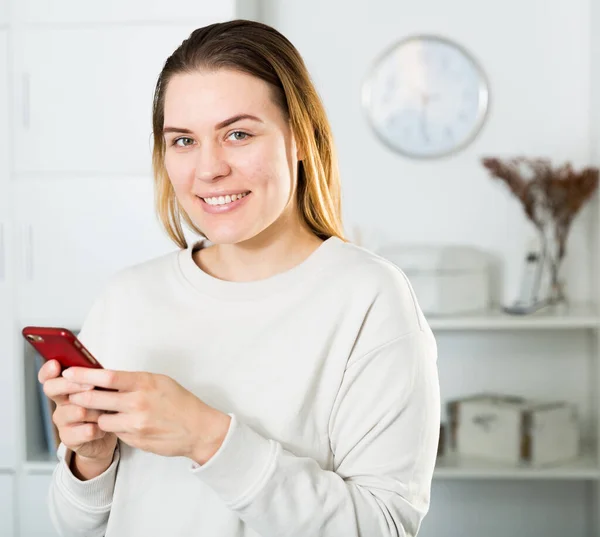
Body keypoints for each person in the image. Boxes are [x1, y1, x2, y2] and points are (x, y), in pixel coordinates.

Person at [38, 19, 440, 537]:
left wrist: (208, 437)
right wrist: (90, 461)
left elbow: (384, 527)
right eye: (183, 140)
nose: (208, 169)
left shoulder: (368, 298)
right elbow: (72, 524)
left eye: (238, 134)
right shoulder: (127, 297)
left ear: (298, 137)